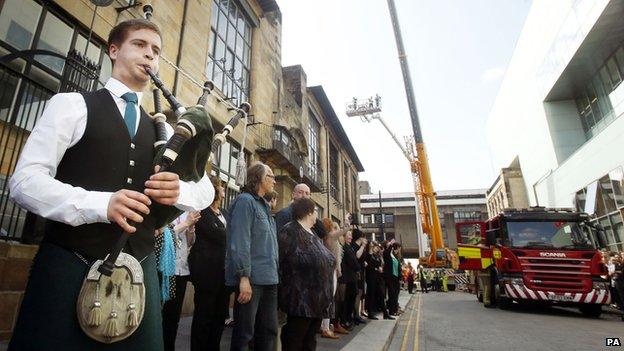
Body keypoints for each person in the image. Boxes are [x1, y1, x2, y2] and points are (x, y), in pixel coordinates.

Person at [7, 18, 213, 351]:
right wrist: (101, 204)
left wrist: (180, 191)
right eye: (140, 45)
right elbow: (24, 182)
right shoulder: (72, 105)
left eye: (156, 51)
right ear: (113, 50)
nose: (149, 55)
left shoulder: (161, 132)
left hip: (139, 274)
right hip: (68, 267)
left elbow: (206, 190)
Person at [225, 162, 279, 351]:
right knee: (244, 333)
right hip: (252, 279)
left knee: (269, 331)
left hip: (270, 278)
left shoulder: (265, 206)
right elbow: (240, 241)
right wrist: (244, 277)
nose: (274, 180)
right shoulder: (245, 201)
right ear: (259, 178)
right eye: (270, 175)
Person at [278, 198, 336, 351]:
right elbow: (282, 260)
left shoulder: (313, 232)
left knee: (310, 341)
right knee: (295, 338)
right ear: (309, 212)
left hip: (317, 299)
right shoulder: (290, 230)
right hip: (300, 298)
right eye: (316, 210)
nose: (317, 214)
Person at [189, 178, 230, 350]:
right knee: (204, 317)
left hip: (224, 276)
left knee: (220, 316)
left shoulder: (226, 214)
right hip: (206, 274)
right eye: (221, 187)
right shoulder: (202, 213)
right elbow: (220, 235)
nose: (224, 190)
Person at [162, 211, 200, 351]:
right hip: (165, 269)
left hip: (181, 270)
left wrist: (190, 228)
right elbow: (163, 234)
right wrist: (186, 223)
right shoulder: (165, 211)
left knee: (173, 317)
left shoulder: (186, 212)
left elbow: (189, 242)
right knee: (162, 315)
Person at [339, 230, 361, 329]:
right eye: (349, 235)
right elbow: (353, 261)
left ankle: (348, 318)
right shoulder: (345, 248)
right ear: (344, 236)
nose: (351, 237)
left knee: (351, 298)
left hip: (352, 277)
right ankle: (345, 320)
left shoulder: (349, 247)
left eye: (351, 235)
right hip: (348, 278)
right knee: (348, 299)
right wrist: (358, 267)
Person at [384, 242, 401, 316]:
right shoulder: (388, 254)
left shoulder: (396, 256)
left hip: (396, 278)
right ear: (396, 248)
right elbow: (386, 253)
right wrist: (391, 244)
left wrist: (400, 278)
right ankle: (391, 311)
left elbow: (398, 268)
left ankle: (395, 309)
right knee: (392, 294)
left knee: (396, 294)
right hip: (390, 278)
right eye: (399, 248)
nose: (399, 250)